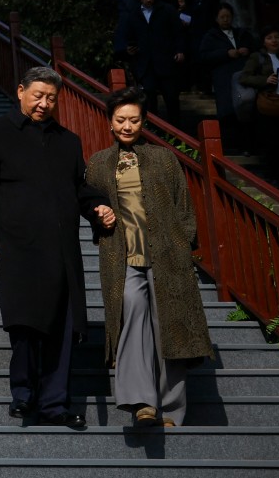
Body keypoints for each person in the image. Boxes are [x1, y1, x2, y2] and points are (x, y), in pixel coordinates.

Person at [0, 66, 113, 429]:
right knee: (25, 325)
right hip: (17, 246)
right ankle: (23, 394)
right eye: (38, 95)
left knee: (61, 328)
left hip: (62, 249)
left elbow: (79, 186)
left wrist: (97, 205)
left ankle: (55, 404)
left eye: (51, 98)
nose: (44, 104)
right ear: (20, 91)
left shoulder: (68, 140)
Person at [84, 88, 213, 427]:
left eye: (135, 120)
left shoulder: (163, 158)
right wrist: (98, 216)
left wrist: (183, 245)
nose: (128, 126)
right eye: (121, 120)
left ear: (144, 121)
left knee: (169, 327)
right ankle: (142, 402)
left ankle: (171, 409)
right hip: (121, 256)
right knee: (132, 318)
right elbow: (89, 206)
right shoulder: (97, 163)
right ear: (110, 122)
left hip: (168, 255)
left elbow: (184, 207)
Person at [115, 0, 187, 125]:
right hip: (145, 64)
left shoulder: (167, 10)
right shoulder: (133, 14)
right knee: (148, 101)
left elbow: (179, 33)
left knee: (172, 99)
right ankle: (153, 135)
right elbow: (126, 37)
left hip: (166, 61)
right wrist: (128, 50)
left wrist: (180, 51)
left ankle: (177, 136)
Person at [239, 26, 279, 183]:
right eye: (270, 37)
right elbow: (244, 77)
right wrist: (264, 80)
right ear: (263, 41)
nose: (274, 40)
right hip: (267, 106)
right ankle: (272, 178)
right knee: (271, 144)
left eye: (277, 37)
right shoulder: (257, 57)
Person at [198, 4, 253, 154]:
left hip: (242, 77)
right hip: (223, 78)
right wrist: (226, 53)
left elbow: (255, 48)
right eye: (222, 17)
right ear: (216, 18)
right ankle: (231, 147)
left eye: (228, 16)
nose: (225, 19)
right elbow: (204, 57)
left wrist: (246, 50)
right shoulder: (211, 36)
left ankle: (248, 146)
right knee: (227, 112)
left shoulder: (241, 33)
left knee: (245, 109)